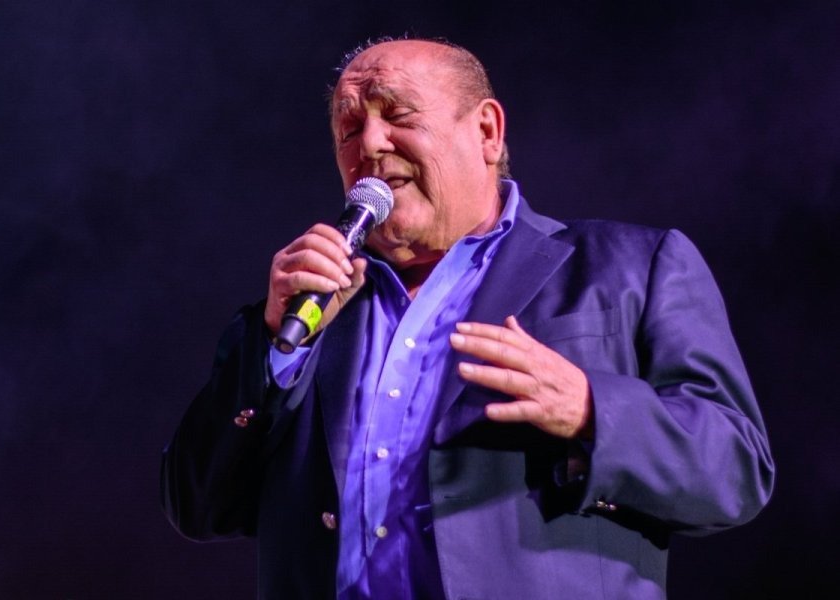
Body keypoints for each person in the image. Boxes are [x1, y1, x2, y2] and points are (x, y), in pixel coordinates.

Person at [160, 38, 774, 599]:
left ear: (486, 131)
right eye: (349, 128)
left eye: (398, 115)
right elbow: (195, 505)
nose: (369, 144)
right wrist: (275, 346)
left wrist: (591, 411)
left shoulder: (630, 267)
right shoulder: (308, 308)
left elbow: (737, 470)